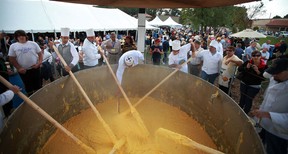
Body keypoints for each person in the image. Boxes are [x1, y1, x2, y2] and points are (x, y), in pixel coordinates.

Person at [252, 58, 288, 154]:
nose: (274, 75)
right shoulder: (275, 77)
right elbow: (267, 98)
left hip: (279, 133)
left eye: (278, 72)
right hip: (264, 125)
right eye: (273, 72)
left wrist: (268, 114)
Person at [8, 30, 43, 96]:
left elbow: (40, 54)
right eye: (19, 36)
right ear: (16, 37)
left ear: (26, 36)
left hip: (35, 68)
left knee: (38, 86)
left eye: (23, 35)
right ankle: (31, 101)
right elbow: (11, 58)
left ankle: (40, 98)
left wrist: (39, 63)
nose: (21, 37)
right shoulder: (13, 46)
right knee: (28, 87)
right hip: (23, 71)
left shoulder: (33, 43)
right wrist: (19, 68)